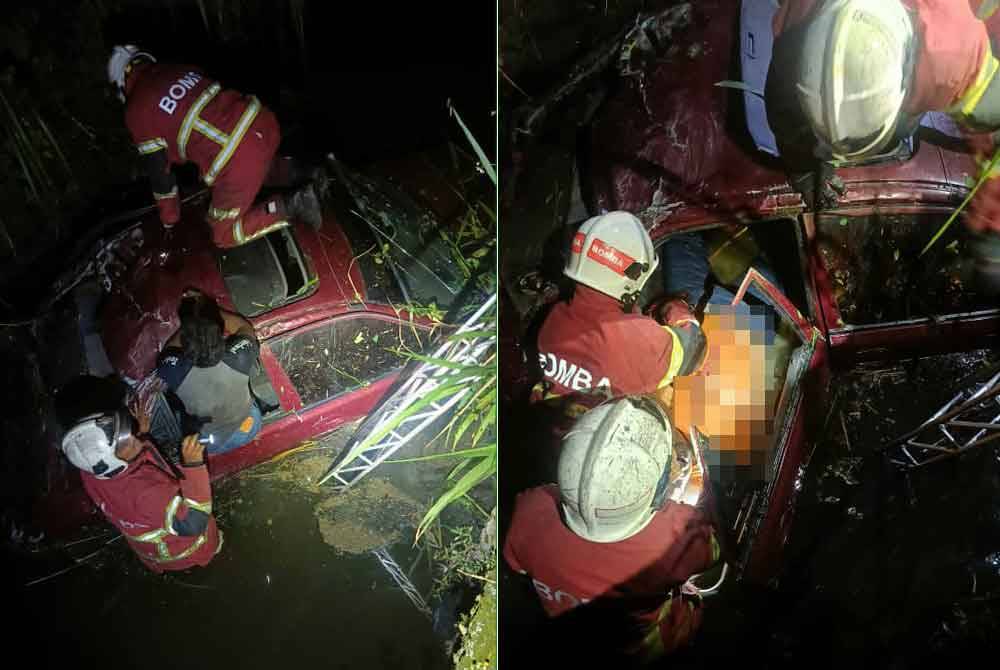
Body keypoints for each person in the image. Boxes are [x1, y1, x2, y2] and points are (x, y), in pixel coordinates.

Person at [766, 0, 1000, 288]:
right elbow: (785, 112)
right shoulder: (797, 29)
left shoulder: (952, 53)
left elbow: (991, 106)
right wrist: (804, 169)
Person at [503, 395, 719, 663]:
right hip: (636, 647)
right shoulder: (675, 536)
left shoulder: (528, 512)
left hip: (566, 635)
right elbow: (713, 550)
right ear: (659, 490)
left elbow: (518, 566)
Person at [106, 44, 321, 249]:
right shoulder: (174, 69)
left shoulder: (136, 112)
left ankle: (291, 206)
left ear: (121, 86)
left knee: (222, 233)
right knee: (258, 169)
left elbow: (161, 178)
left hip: (237, 155)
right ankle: (308, 174)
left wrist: (170, 221)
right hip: (261, 120)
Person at [532, 211, 706, 417]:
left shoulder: (553, 319)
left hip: (550, 424)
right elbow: (693, 347)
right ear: (631, 279)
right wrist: (677, 307)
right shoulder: (634, 341)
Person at [59, 403, 222, 572]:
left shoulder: (91, 474)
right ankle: (213, 550)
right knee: (208, 542)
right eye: (126, 441)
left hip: (154, 553)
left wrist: (141, 433)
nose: (133, 438)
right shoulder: (146, 494)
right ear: (111, 460)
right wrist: (193, 465)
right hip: (186, 551)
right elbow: (194, 523)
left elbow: (120, 455)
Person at [156, 290, 262, 454]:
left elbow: (169, 349)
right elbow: (243, 326)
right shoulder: (240, 356)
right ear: (221, 328)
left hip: (210, 442)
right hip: (247, 427)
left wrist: (192, 322)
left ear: (184, 337)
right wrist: (208, 312)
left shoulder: (171, 369)